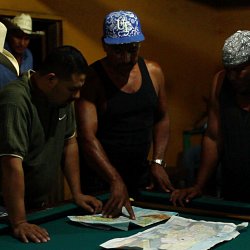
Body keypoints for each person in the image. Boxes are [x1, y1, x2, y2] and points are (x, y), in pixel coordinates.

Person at [75, 10, 174, 220]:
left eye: (132, 50)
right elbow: (86, 137)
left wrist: (157, 161)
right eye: (118, 51)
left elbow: (162, 117)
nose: (127, 58)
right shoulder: (92, 79)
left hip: (139, 177)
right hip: (101, 181)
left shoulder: (154, 72)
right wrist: (114, 180)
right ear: (104, 45)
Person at [0, 45, 102, 243]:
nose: (77, 96)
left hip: (36, 204)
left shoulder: (63, 99)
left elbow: (69, 143)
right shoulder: (15, 100)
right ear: (50, 79)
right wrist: (20, 221)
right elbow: (11, 163)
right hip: (5, 208)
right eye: (73, 89)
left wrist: (77, 193)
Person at [171, 30, 250, 206]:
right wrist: (199, 185)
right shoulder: (220, 82)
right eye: (228, 70)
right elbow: (213, 137)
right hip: (234, 193)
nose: (232, 77)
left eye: (239, 70)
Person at [0, 13, 34, 88]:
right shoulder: (1, 53)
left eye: (26, 39)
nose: (22, 43)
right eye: (18, 37)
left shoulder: (28, 55)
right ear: (10, 35)